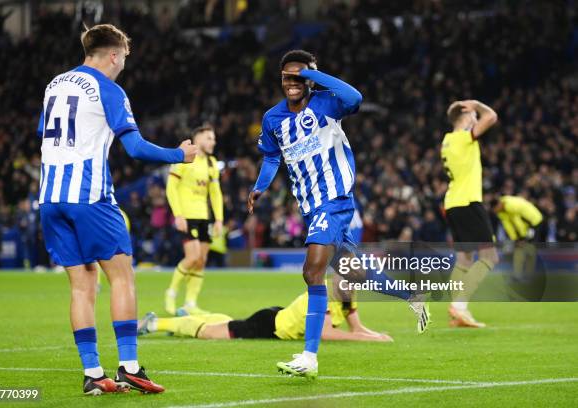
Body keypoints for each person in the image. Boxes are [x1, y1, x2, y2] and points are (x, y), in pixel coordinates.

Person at [37, 24, 197, 395]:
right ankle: (129, 367)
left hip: (50, 197)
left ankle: (93, 374)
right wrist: (180, 155)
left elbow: (45, 134)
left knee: (82, 286)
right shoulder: (109, 88)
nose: (124, 62)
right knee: (122, 276)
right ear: (114, 54)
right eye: (124, 55)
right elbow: (136, 148)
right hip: (89, 197)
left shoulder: (54, 85)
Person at [248, 50, 429, 379]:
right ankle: (412, 295)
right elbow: (272, 157)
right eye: (287, 76)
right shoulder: (272, 119)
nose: (293, 82)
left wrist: (311, 75)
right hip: (310, 205)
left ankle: (309, 356)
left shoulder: (327, 104)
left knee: (312, 272)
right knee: (353, 270)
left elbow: (354, 95)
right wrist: (260, 186)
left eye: (299, 77)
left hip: (335, 200)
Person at [138, 282, 392, 343]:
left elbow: (357, 328)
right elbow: (325, 333)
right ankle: (155, 324)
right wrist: (361, 338)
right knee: (210, 333)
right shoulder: (324, 293)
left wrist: (375, 336)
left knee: (227, 323)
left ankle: (182, 316)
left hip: (277, 316)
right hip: (268, 326)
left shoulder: (348, 294)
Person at [441, 100, 499, 328]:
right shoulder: (463, 137)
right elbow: (492, 116)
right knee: (490, 257)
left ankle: (457, 311)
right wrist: (475, 104)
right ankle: (460, 306)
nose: (477, 117)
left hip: (453, 203)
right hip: (468, 201)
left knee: (464, 258)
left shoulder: (446, 141)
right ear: (466, 114)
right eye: (474, 114)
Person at [165, 125, 223, 315]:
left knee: (201, 260)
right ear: (197, 138)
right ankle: (171, 292)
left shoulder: (212, 163)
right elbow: (171, 187)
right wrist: (178, 214)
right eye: (208, 138)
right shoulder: (184, 158)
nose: (212, 142)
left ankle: (190, 303)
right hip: (187, 215)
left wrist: (219, 219)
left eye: (213, 138)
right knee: (193, 257)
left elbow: (215, 194)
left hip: (203, 217)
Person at [492, 195, 545, 281]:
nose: (494, 211)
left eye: (495, 209)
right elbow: (508, 226)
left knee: (529, 250)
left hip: (534, 223)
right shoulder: (501, 211)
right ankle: (518, 275)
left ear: (499, 204)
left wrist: (523, 238)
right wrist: (516, 239)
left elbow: (520, 221)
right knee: (519, 249)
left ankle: (528, 275)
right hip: (525, 227)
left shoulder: (511, 206)